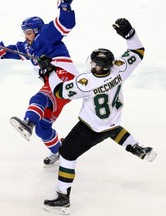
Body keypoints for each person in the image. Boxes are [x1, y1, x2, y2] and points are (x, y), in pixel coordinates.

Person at [43, 18, 157, 214]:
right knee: (112, 130)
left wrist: (49, 72)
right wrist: (130, 35)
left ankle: (63, 197)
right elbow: (138, 51)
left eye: (94, 63)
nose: (92, 65)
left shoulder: (86, 82)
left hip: (90, 129)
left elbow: (60, 92)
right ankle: (135, 147)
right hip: (112, 122)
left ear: (98, 66)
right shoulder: (119, 69)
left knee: (67, 154)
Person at [0, 0, 78, 166]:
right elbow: (15, 50)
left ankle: (28, 123)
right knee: (43, 129)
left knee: (39, 97)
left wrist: (65, 7)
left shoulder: (46, 34)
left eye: (28, 33)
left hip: (65, 77)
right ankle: (59, 151)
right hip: (56, 85)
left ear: (37, 31)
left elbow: (66, 23)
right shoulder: (29, 47)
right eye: (24, 33)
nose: (25, 36)